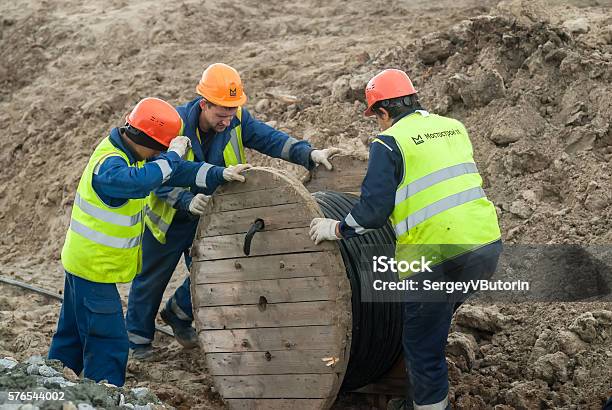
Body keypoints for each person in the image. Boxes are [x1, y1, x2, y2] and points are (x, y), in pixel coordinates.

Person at [309, 69, 502, 410]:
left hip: (434, 258)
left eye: (377, 118)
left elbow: (372, 212)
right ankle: (417, 399)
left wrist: (336, 229)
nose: (379, 124)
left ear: (382, 112)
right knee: (430, 327)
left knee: (422, 346)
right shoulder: (453, 127)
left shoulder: (389, 141)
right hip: (484, 245)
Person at [126, 63, 340, 358]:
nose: (227, 120)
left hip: (213, 214)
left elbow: (270, 139)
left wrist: (309, 154)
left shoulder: (236, 118)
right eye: (221, 114)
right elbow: (155, 175)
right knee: (151, 278)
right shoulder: (172, 126)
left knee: (216, 272)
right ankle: (137, 341)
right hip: (170, 218)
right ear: (204, 104)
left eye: (232, 112)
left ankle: (177, 313)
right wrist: (186, 201)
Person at [48, 97, 214, 387]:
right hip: (94, 269)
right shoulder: (112, 168)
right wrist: (171, 157)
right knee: (109, 341)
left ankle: (50, 382)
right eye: (158, 150)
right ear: (144, 139)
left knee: (72, 334)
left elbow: (169, 173)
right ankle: (106, 396)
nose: (157, 156)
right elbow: (139, 182)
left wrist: (219, 174)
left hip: (82, 262)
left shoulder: (123, 153)